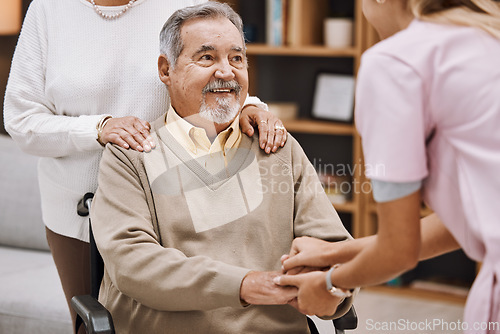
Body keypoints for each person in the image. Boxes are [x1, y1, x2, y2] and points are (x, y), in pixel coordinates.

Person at [2, 0, 288, 332]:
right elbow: (21, 120)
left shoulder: (186, 3)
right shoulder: (48, 9)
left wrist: (251, 107)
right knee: (93, 324)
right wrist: (97, 128)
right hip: (78, 212)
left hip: (169, 204)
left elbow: (214, 66)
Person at [90, 2, 354, 333]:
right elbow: (133, 263)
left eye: (236, 58)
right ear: (165, 70)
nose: (226, 72)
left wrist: (331, 285)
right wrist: (246, 284)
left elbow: (333, 247)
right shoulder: (130, 154)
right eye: (207, 57)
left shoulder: (277, 147)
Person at [274, 0, 500, 330]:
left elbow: (398, 250)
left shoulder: (395, 63)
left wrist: (329, 284)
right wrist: (334, 254)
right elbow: (470, 217)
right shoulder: (487, 37)